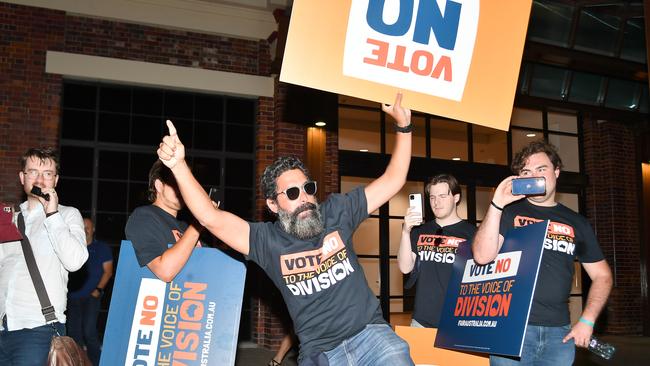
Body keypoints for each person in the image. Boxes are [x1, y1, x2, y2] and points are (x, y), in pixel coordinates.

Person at [157, 93, 414, 365]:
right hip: (320, 353)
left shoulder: (338, 212)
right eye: (291, 193)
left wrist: (404, 127)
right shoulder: (266, 241)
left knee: (397, 355)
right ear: (273, 204)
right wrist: (178, 166)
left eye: (308, 189)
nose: (303, 197)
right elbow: (210, 217)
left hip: (370, 336)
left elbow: (393, 179)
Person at [472, 140, 613, 365]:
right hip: (511, 329)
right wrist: (497, 204)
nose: (534, 175)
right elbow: (481, 256)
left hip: (559, 335)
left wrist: (587, 320)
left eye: (541, 169)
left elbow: (602, 275)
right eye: (526, 171)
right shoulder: (508, 212)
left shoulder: (577, 222)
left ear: (556, 172)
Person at [0, 147, 88, 366]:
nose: (39, 179)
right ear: (22, 178)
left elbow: (75, 261)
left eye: (47, 173)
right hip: (3, 328)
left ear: (55, 180)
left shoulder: (67, 215)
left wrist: (52, 214)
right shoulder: (8, 218)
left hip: (38, 330)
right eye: (32, 172)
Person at [398, 174, 476, 328]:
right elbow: (405, 267)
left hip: (458, 320)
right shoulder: (419, 231)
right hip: (421, 320)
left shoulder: (472, 233)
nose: (436, 202)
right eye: (432, 197)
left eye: (442, 196)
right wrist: (406, 232)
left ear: (456, 197)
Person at [125, 160, 203, 282]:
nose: (184, 189)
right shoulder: (143, 217)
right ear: (159, 185)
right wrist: (198, 224)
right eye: (177, 183)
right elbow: (165, 271)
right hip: (157, 299)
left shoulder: (185, 226)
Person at [67, 217, 113, 366]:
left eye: (88, 227)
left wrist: (98, 289)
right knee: (74, 334)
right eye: (83, 226)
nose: (85, 229)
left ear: (93, 229)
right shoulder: (74, 248)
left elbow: (108, 272)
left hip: (91, 297)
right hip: (72, 297)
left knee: (89, 332)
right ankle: (80, 363)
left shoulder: (102, 248)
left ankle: (98, 362)